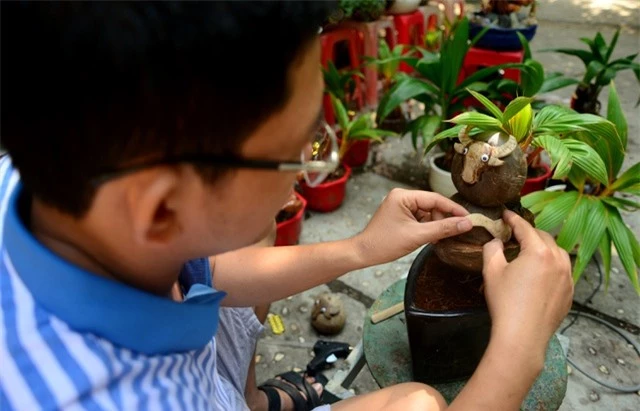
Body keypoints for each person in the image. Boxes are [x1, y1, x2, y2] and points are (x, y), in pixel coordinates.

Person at [0, 2, 573, 410]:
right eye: (297, 150)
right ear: (160, 211)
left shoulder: (57, 190)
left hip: (202, 375)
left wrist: (358, 249)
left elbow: (207, 272)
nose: (309, 166)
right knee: (419, 402)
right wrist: (519, 352)